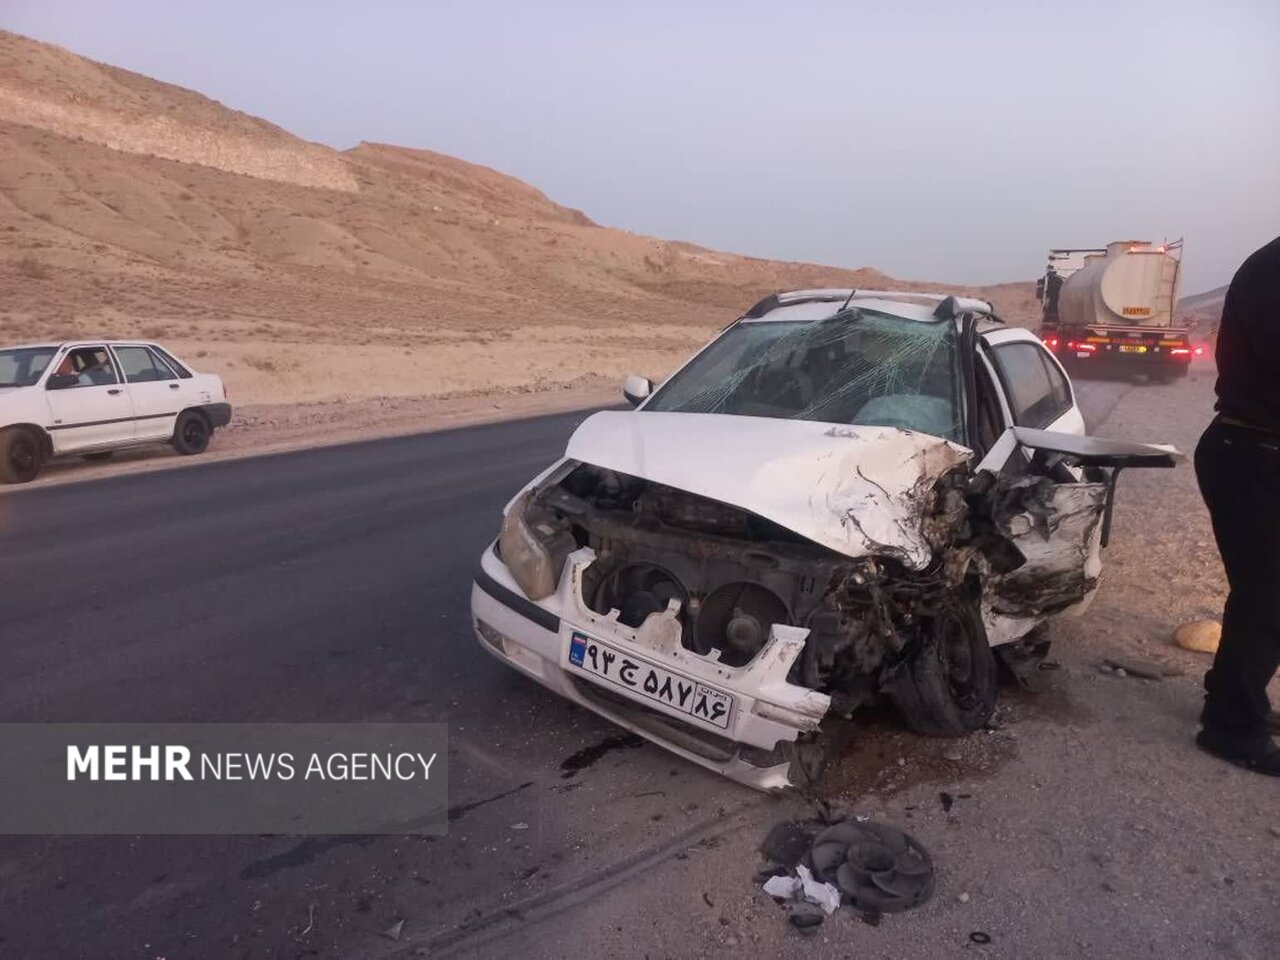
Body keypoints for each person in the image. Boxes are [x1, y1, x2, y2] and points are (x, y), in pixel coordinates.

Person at [1194, 235, 1280, 776]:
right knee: (1267, 596)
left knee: (1265, 595)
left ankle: (1235, 703)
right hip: (1252, 454)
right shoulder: (1273, 271)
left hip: (1255, 450)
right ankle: (1231, 727)